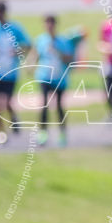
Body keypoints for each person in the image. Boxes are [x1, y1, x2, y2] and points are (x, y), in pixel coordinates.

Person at [0, 0, 30, 144]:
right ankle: (1, 132)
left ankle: (13, 116)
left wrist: (17, 51)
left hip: (10, 71)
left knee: (7, 102)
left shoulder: (14, 28)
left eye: (1, 12)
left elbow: (27, 44)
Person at [29, 15, 74, 147]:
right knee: (44, 105)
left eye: (51, 24)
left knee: (59, 106)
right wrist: (30, 65)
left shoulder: (63, 41)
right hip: (44, 76)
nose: (49, 26)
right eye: (47, 23)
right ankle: (43, 133)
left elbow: (69, 59)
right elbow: (35, 55)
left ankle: (62, 133)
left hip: (59, 77)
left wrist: (58, 51)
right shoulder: (41, 40)